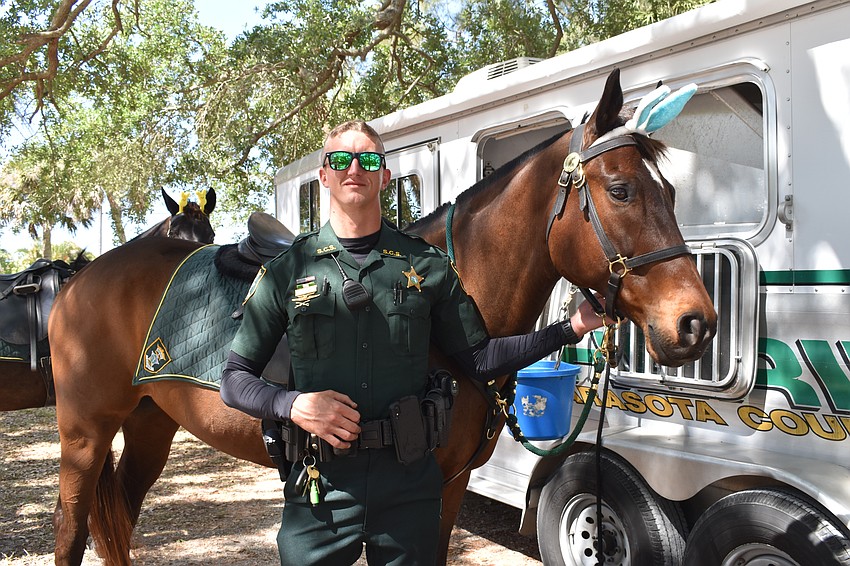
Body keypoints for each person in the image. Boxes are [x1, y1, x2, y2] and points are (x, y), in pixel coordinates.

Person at [220, 120, 606, 566]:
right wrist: (294, 405)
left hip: (409, 489)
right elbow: (235, 380)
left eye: (368, 160)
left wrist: (570, 328)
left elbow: (480, 358)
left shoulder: (427, 265)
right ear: (324, 175)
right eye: (340, 159)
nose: (354, 169)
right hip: (321, 491)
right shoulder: (288, 271)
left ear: (385, 176)